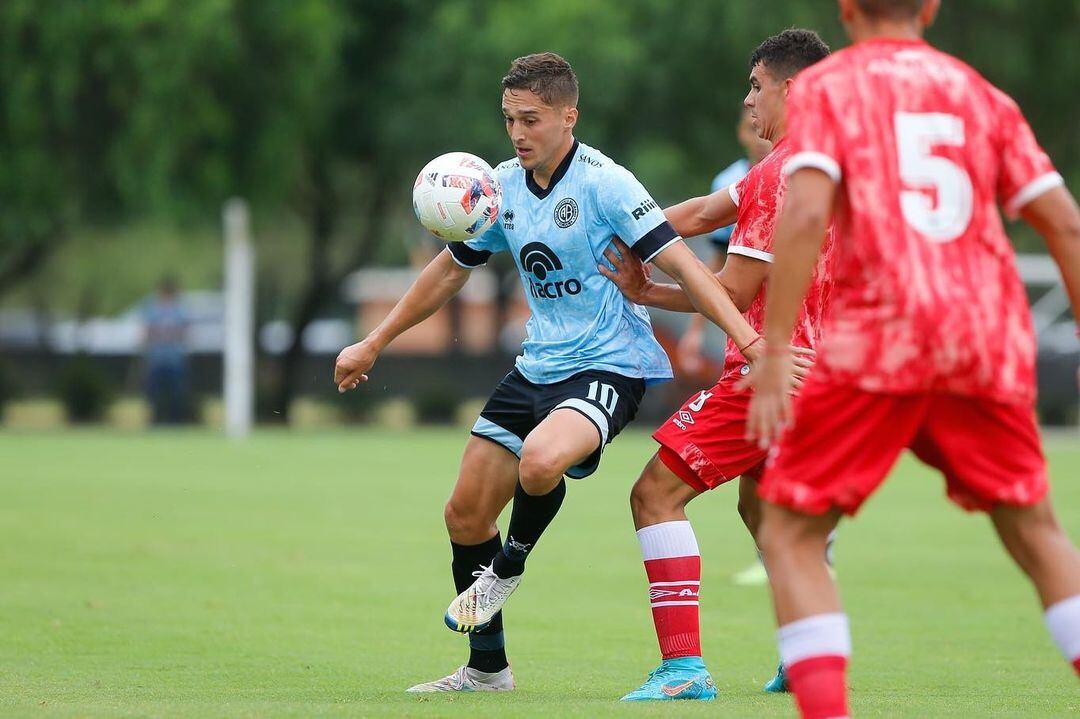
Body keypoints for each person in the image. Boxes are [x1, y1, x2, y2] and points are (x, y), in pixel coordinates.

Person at [333, 52, 770, 694]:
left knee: (540, 462)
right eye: (509, 119)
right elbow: (451, 270)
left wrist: (749, 339)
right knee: (464, 514)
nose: (517, 133)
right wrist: (375, 340)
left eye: (530, 119)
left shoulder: (607, 185)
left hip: (609, 366)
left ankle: (510, 564)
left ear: (569, 116)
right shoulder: (500, 188)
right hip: (536, 368)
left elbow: (686, 267)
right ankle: (487, 670)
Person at [744, 2, 1080, 718]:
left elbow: (804, 216)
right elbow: (1065, 223)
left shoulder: (831, 87)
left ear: (846, 9)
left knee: (790, 531)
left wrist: (773, 349)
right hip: (983, 340)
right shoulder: (979, 93)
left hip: (880, 341)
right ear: (929, 8)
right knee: (1038, 532)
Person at [599, 29, 831, 701]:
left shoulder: (776, 177)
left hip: (769, 374)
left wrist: (648, 290)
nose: (747, 99)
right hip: (826, 375)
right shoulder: (819, 163)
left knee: (654, 494)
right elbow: (699, 212)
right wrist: (612, 226)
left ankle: (683, 669)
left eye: (756, 85)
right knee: (766, 516)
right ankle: (807, 654)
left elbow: (729, 292)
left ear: (791, 88)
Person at [678, 106, 772, 381]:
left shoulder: (796, 171)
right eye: (751, 130)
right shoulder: (729, 181)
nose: (760, 139)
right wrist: (695, 331)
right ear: (742, 134)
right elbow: (718, 258)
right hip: (742, 306)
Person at [142, 276, 191, 425]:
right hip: (156, 358)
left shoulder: (180, 311)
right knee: (153, 393)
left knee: (176, 393)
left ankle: (174, 421)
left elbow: (185, 332)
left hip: (174, 359)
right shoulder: (153, 310)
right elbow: (147, 332)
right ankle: (155, 421)